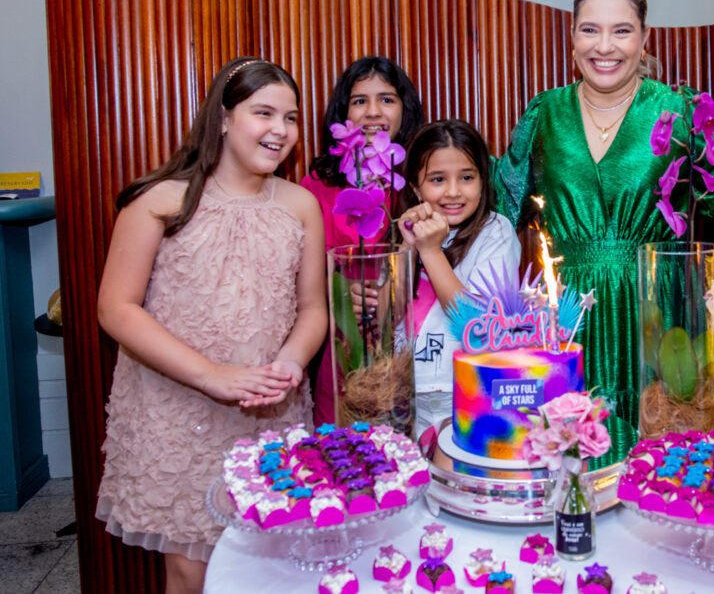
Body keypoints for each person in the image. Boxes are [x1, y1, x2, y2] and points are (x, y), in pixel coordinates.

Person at [494, 0, 714, 449]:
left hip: (658, 312)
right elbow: (499, 208)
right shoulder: (544, 115)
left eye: (622, 30)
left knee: (662, 465)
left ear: (644, 38)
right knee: (570, 465)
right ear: (572, 36)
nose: (605, 46)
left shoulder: (677, 111)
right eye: (590, 29)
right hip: (566, 324)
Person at [95, 57, 327, 593]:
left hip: (268, 407)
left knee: (269, 562)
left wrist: (290, 362)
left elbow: (313, 307)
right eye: (264, 113)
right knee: (191, 568)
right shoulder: (160, 201)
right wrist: (210, 376)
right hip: (178, 408)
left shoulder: (300, 205)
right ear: (222, 118)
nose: (280, 129)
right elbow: (116, 308)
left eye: (291, 117)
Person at [363, 119, 521, 436]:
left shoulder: (495, 232)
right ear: (415, 187)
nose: (453, 191)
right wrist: (408, 248)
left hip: (468, 393)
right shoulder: (404, 233)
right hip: (405, 396)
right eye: (437, 179)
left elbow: (477, 324)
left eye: (467, 177)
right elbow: (382, 322)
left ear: (483, 181)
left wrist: (431, 251)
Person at [303, 56, 426, 424]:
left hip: (411, 353)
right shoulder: (317, 186)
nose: (373, 112)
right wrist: (339, 293)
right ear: (343, 113)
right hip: (342, 355)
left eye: (387, 99)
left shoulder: (420, 180)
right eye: (359, 101)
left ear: (405, 110)